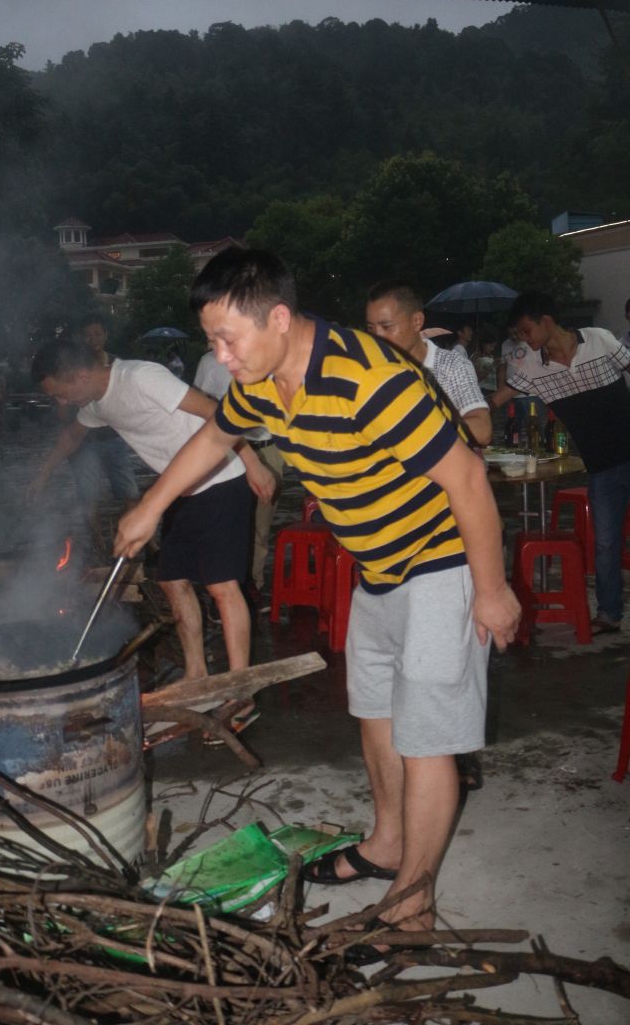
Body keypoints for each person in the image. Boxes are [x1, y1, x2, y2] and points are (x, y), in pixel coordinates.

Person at [115, 249, 519, 958]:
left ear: (277, 318)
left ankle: (412, 906)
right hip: (376, 570)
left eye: (227, 340)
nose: (220, 357)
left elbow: (468, 479)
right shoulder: (265, 383)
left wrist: (491, 592)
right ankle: (387, 845)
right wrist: (151, 506)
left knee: (427, 739)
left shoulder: (369, 379)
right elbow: (216, 435)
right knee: (377, 714)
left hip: (440, 561)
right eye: (212, 341)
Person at [28, 338, 275, 732]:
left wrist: (253, 462)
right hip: (179, 490)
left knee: (222, 586)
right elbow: (72, 436)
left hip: (223, 480)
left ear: (79, 375)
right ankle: (196, 674)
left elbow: (218, 412)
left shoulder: (142, 378)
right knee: (172, 580)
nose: (61, 403)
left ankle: (240, 693)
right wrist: (41, 476)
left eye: (60, 393)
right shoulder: (95, 404)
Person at [492, 291, 630, 635]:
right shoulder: (531, 365)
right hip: (602, 467)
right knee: (606, 543)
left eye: (527, 330)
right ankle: (609, 614)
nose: (524, 339)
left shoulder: (599, 340)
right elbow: (499, 398)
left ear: (546, 321)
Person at [194, 348, 284, 608]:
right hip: (227, 453)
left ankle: (253, 584)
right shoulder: (210, 361)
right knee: (224, 522)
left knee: (261, 525)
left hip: (268, 448)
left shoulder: (270, 353)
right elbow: (198, 406)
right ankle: (222, 587)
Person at [365, 282, 492, 447]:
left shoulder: (450, 365)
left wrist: (413, 427)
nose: (377, 337)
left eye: (386, 326)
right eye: (371, 329)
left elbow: (482, 430)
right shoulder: (369, 371)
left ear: (417, 321)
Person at [63, 314, 140, 551]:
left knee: (130, 491)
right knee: (88, 496)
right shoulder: (74, 367)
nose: (93, 339)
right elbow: (64, 404)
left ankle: (127, 535)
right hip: (84, 441)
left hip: (113, 438)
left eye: (97, 334)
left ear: (106, 335)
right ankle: (98, 543)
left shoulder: (117, 364)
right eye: (87, 335)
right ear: (81, 338)